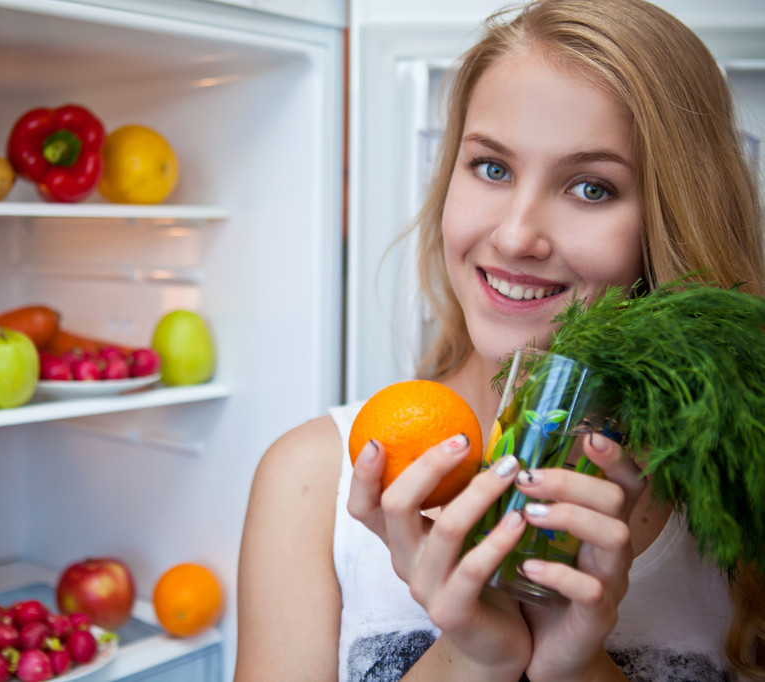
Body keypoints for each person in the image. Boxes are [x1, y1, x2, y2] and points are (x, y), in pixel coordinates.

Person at [235, 0, 765, 680]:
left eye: (590, 187)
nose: (515, 236)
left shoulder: (736, 497)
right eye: (491, 168)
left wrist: (574, 666)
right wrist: (471, 651)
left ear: (672, 222)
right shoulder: (311, 483)